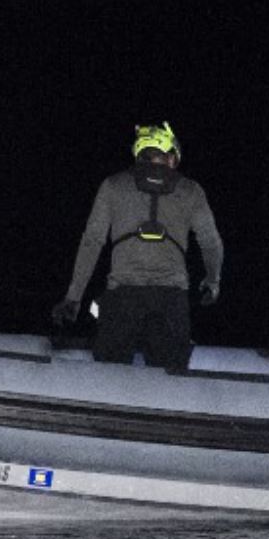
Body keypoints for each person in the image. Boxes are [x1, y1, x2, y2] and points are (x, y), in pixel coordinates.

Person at [52, 122, 223, 371]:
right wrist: (212, 281)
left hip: (121, 298)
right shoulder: (191, 190)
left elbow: (92, 242)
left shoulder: (113, 185)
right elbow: (211, 243)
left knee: (110, 378)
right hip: (171, 300)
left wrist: (74, 297)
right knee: (171, 382)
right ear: (171, 156)